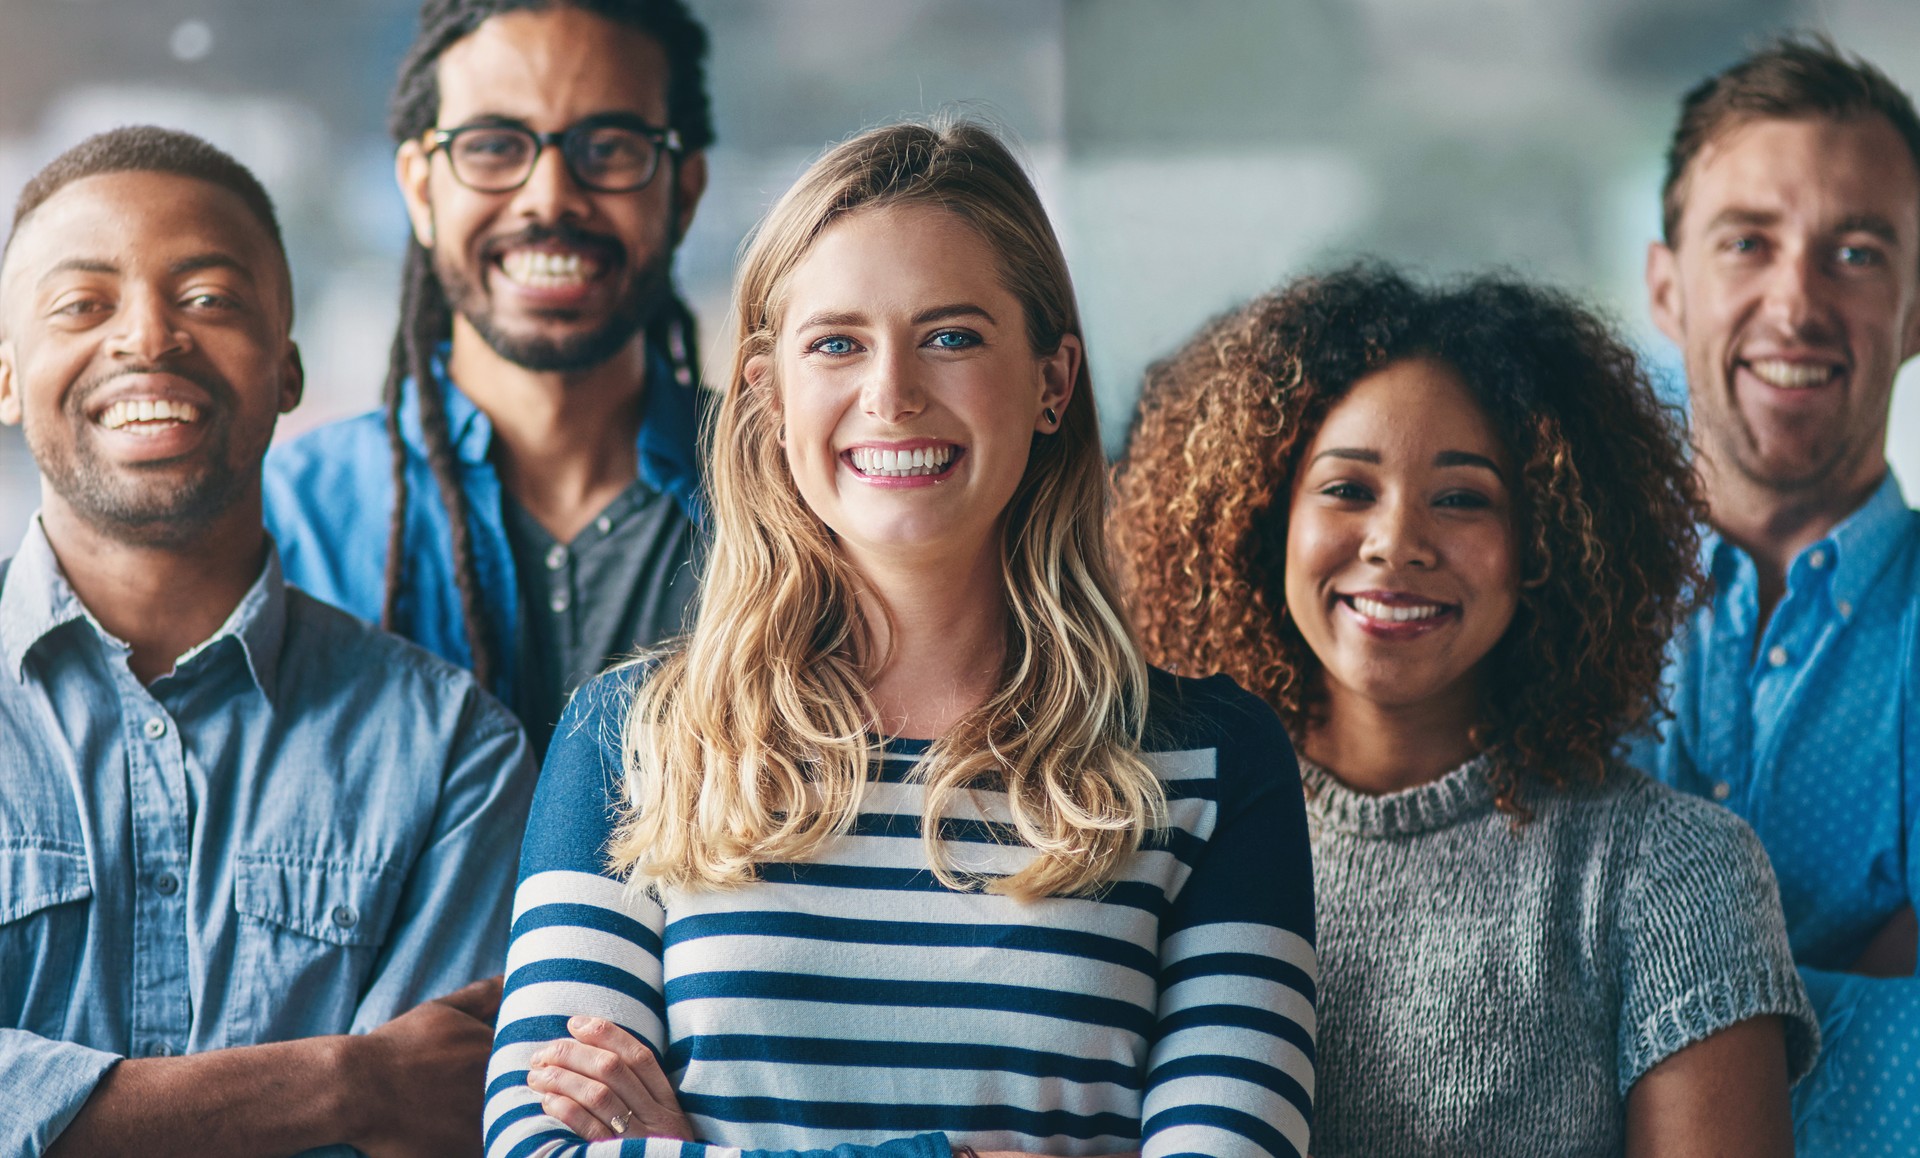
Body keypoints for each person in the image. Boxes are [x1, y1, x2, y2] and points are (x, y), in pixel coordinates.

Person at [482, 121, 1319, 1158]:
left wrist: (680, 1144)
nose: (892, 393)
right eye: (837, 343)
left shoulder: (1217, 762)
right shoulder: (632, 739)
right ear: (767, 398)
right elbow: (537, 1147)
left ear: (1053, 383)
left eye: (953, 336)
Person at [1112, 266, 1818, 1156]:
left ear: (1547, 543)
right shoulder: (1155, 831)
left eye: (1462, 499)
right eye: (1347, 488)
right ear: (1263, 521)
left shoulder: (1674, 873)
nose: (1397, 541)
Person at [0, 126, 535, 1156]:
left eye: (209, 297)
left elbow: (432, 1118)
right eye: (84, 304)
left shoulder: (450, 752)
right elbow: (387, 1093)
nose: (148, 339)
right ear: (9, 377)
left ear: (285, 369)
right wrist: (347, 1081)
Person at [264, 0, 713, 755]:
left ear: (686, 193)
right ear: (419, 188)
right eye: (494, 146)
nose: (549, 196)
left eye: (608, 147)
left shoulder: (798, 502)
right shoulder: (282, 526)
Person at [1637, 36, 1920, 1153]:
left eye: (1856, 251)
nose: (1796, 299)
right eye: (1747, 241)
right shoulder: (1529, 606)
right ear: (1668, 286)